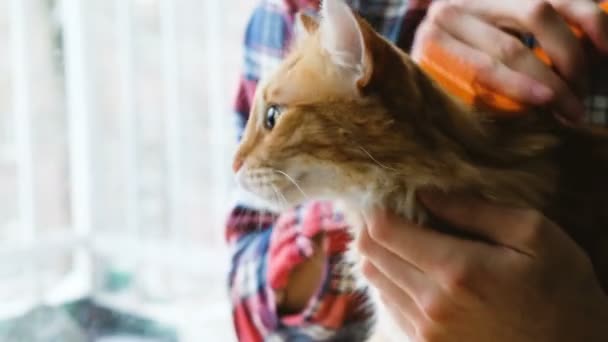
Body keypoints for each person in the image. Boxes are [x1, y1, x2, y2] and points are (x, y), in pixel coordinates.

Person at [226, 0, 608, 341]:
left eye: (272, 117)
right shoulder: (286, 10)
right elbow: (249, 307)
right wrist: (360, 181)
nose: (237, 161)